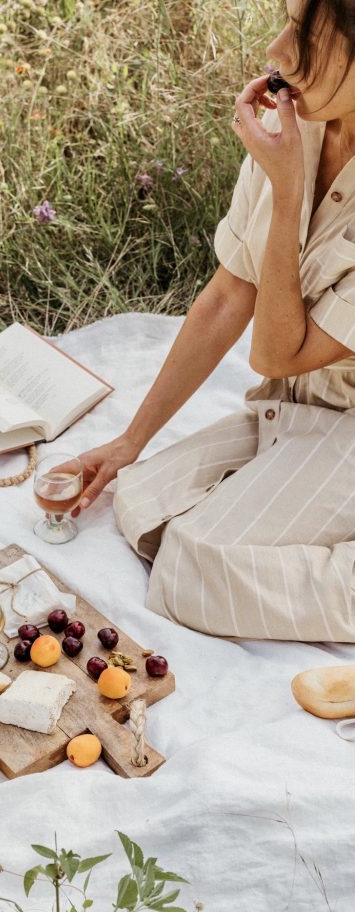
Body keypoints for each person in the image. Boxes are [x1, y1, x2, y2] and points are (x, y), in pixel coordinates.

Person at [73, 0, 355, 642]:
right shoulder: (302, 127)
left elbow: (277, 354)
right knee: (140, 507)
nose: (277, 53)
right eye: (286, 22)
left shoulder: (290, 149)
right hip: (297, 408)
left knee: (195, 569)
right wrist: (130, 442)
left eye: (307, 35)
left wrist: (287, 195)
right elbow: (231, 294)